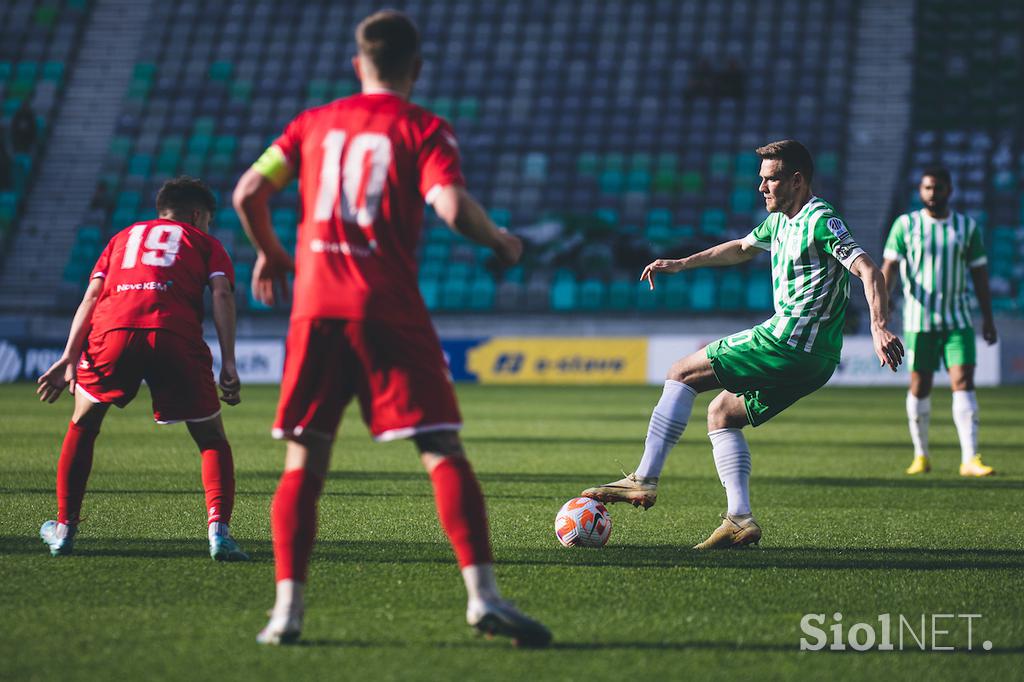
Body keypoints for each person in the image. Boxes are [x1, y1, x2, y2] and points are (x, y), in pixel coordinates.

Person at [232, 10, 550, 647]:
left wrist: (270, 251)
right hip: (387, 307)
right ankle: (482, 596)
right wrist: (502, 241)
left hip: (316, 308)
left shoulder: (310, 125)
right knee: (440, 449)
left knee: (304, 460)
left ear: (358, 65)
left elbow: (246, 194)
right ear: (417, 68)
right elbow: (453, 207)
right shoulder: (424, 127)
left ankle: (285, 613)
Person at [581, 140, 904, 549]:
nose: (762, 187)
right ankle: (740, 520)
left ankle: (644, 477)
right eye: (761, 179)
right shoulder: (778, 222)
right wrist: (681, 263)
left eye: (771, 179)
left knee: (681, 373)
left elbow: (868, 270)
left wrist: (878, 326)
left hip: (788, 339)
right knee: (722, 413)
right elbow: (739, 249)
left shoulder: (821, 219)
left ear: (798, 180)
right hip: (817, 360)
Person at [36, 176, 248, 562]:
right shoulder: (205, 242)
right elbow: (221, 292)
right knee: (212, 440)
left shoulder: (122, 238)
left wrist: (69, 355)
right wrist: (228, 362)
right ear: (198, 216)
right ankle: (218, 533)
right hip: (174, 333)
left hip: (113, 330)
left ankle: (64, 530)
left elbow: (93, 295)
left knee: (83, 424)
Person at [881, 167, 997, 477]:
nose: (933, 193)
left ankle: (970, 458)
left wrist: (987, 316)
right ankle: (921, 455)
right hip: (920, 320)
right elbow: (889, 266)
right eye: (928, 188)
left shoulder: (966, 227)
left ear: (949, 190)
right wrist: (884, 300)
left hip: (958, 319)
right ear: (921, 191)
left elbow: (980, 273)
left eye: (938, 188)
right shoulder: (906, 226)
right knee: (920, 386)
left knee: (964, 382)